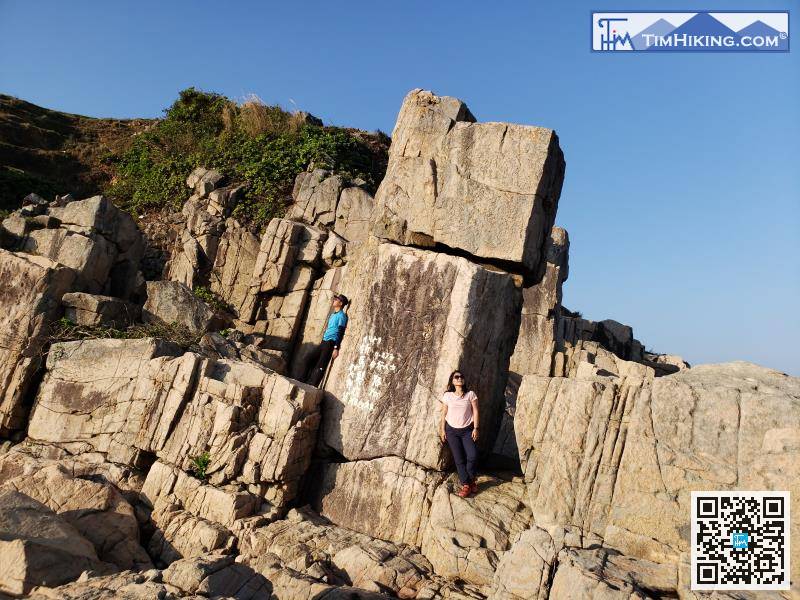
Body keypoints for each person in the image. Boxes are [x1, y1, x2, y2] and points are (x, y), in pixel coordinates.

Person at [439, 369, 480, 498]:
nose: (459, 378)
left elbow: (476, 412)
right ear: (452, 381)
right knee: (459, 459)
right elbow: (443, 414)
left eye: (461, 376)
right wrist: (442, 429)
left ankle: (471, 478)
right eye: (456, 377)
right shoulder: (448, 396)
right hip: (451, 431)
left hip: (467, 430)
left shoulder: (470, 395)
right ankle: (466, 484)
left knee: (472, 456)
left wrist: (476, 428)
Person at [306, 293, 349, 387]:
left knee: (321, 365)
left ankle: (313, 386)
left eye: (336, 299)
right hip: (324, 341)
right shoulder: (333, 314)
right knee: (309, 358)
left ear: (341, 303)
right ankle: (305, 381)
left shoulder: (342, 316)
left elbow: (340, 332)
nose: (334, 300)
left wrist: (336, 348)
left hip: (331, 343)